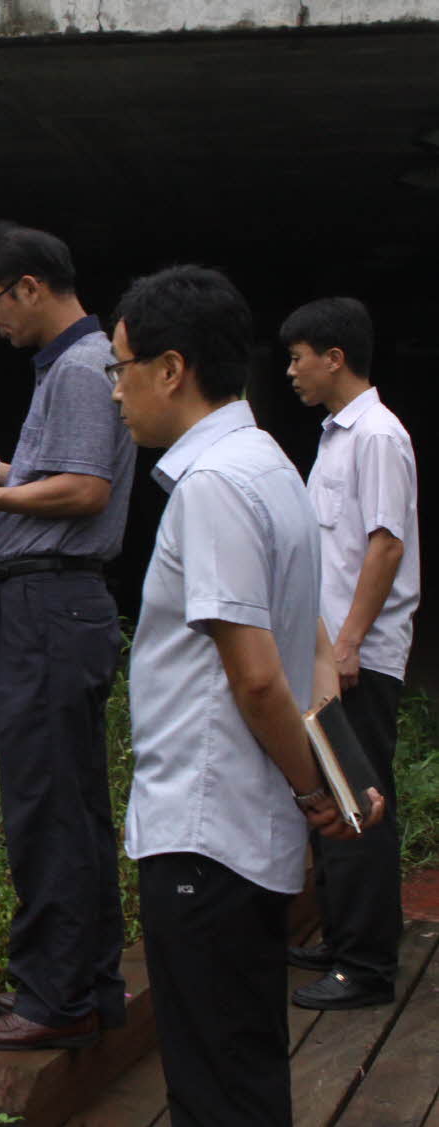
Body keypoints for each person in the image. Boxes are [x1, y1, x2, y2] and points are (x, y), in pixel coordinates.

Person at [109, 265, 381, 1124]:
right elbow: (309, 644)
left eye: (118, 368)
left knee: (212, 1082)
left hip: (204, 830)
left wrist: (312, 790)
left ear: (169, 368)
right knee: (247, 1060)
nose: (113, 391)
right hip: (239, 831)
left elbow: (258, 672)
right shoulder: (267, 460)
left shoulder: (214, 486)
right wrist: (335, 771)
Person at [0, 222, 134, 1050]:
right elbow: (52, 472)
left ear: (29, 287)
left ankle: (47, 999)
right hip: (52, 606)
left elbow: (82, 490)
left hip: (48, 605)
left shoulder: (81, 368)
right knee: (71, 804)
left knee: (46, 805)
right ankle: (88, 986)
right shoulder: (77, 365)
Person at [279, 296, 420, 1010]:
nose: (290, 371)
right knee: (337, 791)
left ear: (334, 357)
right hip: (330, 655)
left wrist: (347, 642)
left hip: (353, 655)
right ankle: (342, 938)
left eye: (298, 356)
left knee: (358, 799)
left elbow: (385, 542)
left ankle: (364, 967)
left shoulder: (376, 435)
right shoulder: (336, 435)